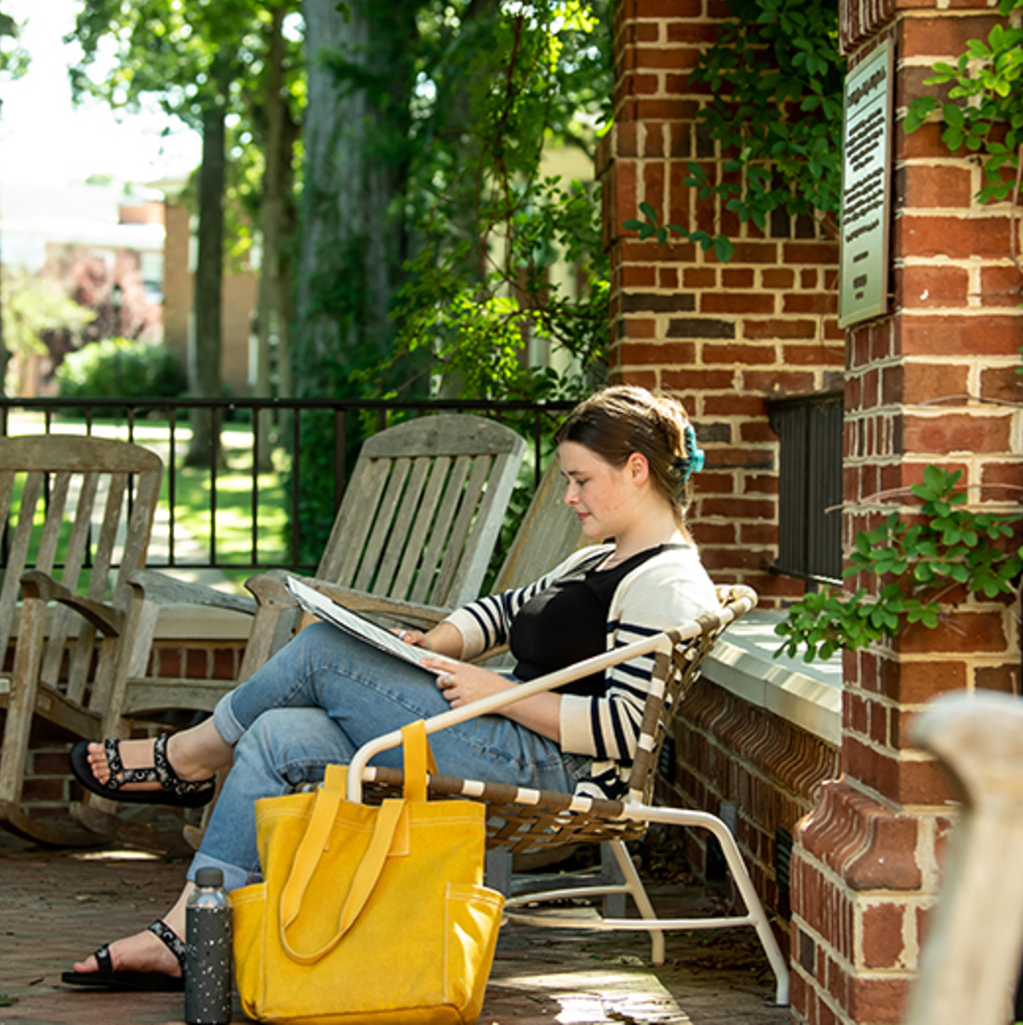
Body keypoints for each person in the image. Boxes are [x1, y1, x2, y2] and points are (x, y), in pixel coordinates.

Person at [61, 385, 717, 991]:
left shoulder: (667, 582)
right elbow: (502, 612)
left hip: (549, 766)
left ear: (636, 469)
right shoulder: (599, 556)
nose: (569, 497)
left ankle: (192, 757)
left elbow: (625, 731)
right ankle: (188, 929)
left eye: (582, 480)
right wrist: (434, 647)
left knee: (321, 648)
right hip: (495, 729)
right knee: (274, 733)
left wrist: (497, 692)